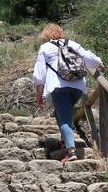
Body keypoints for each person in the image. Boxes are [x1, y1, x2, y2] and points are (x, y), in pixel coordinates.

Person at [32, 23, 104, 162]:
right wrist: (100, 64)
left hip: (59, 86)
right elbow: (89, 58)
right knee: (62, 112)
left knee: (64, 117)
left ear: (45, 35)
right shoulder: (73, 44)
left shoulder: (45, 47)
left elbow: (39, 74)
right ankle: (65, 142)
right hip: (77, 86)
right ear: (60, 33)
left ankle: (71, 152)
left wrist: (39, 93)